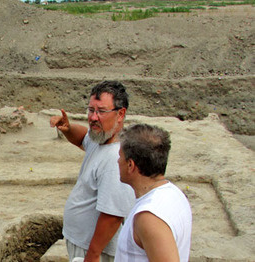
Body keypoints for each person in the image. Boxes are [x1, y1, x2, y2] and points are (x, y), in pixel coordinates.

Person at [50, 81, 135, 262]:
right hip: (84, 244)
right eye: (91, 110)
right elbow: (83, 139)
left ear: (120, 114)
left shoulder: (115, 159)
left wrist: (93, 254)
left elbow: (113, 214)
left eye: (101, 112)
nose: (93, 117)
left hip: (96, 251)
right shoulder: (101, 139)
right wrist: (69, 128)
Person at [115, 124, 192, 262]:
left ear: (130, 165)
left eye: (120, 156)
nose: (117, 161)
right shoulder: (175, 194)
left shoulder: (149, 218)